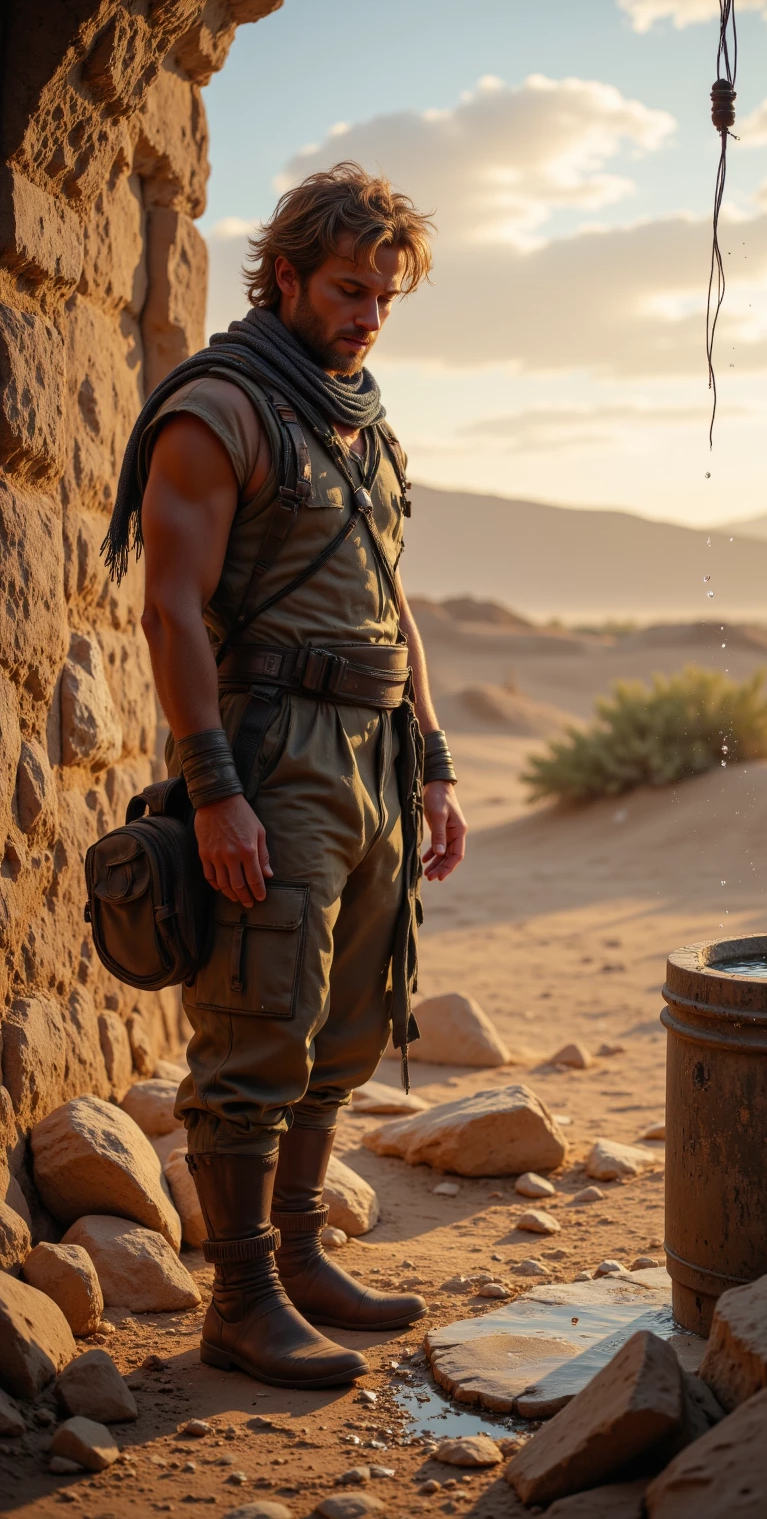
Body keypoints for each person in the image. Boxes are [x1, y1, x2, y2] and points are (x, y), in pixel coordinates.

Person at [104, 162, 468, 1389]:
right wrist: (214, 791)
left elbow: (393, 606)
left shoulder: (359, 419)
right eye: (348, 289)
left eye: (385, 296)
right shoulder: (223, 408)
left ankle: (303, 1259)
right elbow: (171, 612)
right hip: (271, 751)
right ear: (289, 278)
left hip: (370, 753)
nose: (368, 314)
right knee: (258, 1023)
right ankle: (242, 1303)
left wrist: (433, 767)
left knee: (348, 1019)